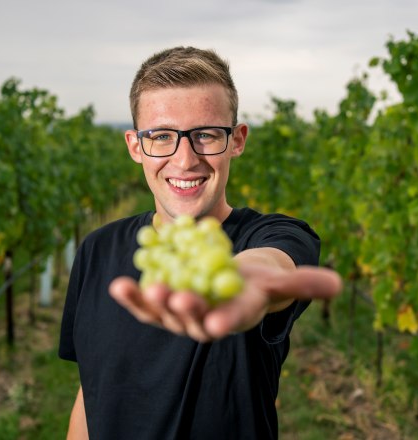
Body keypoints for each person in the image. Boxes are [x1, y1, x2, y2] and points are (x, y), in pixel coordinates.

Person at [59, 46, 342, 439]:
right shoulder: (96, 250)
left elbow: (273, 264)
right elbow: (91, 389)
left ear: (237, 140)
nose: (185, 159)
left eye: (206, 135)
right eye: (161, 136)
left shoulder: (274, 236)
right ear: (135, 146)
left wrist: (242, 281)